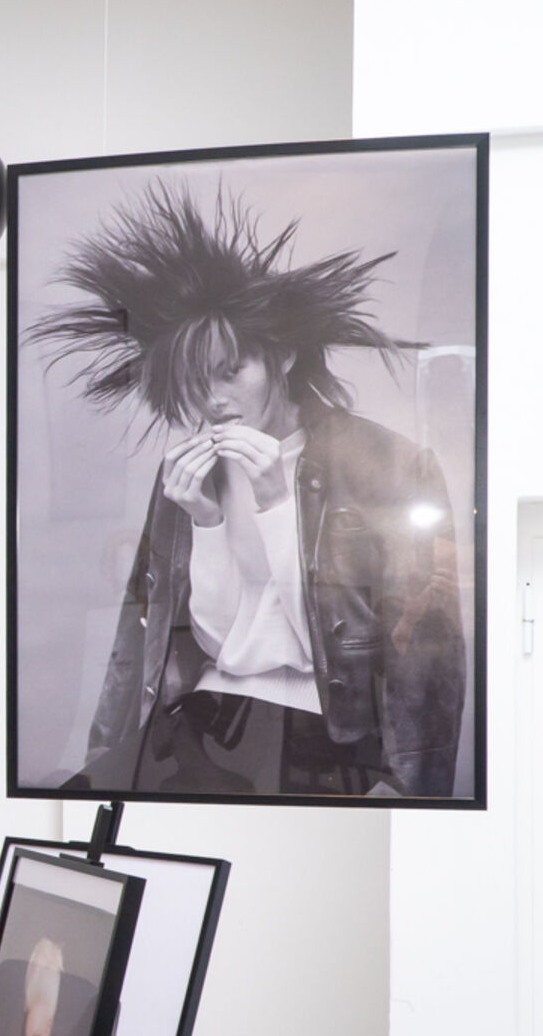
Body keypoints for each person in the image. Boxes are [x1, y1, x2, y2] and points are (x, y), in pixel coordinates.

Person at [29, 183, 465, 798]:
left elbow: (417, 656)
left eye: (231, 371)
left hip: (326, 735)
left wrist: (275, 502)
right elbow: (197, 640)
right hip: (205, 723)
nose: (213, 399)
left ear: (281, 356)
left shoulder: (388, 464)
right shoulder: (191, 472)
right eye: (194, 381)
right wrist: (205, 520)